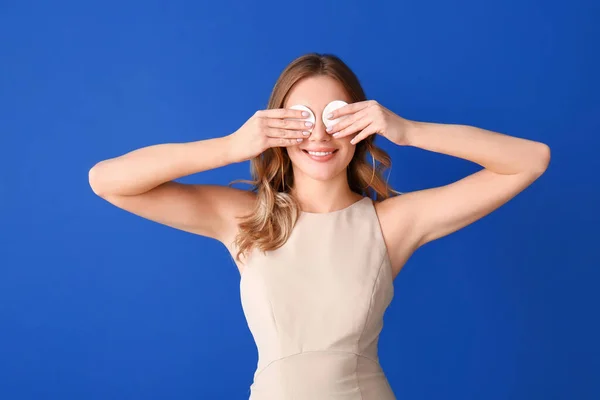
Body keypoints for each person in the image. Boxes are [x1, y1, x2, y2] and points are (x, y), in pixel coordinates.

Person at [88, 53, 551, 399]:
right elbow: (108, 181)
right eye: (300, 120)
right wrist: (233, 145)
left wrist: (407, 130)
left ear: (361, 125)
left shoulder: (391, 224)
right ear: (276, 127)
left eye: (336, 117)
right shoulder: (245, 219)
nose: (319, 136)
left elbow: (530, 160)